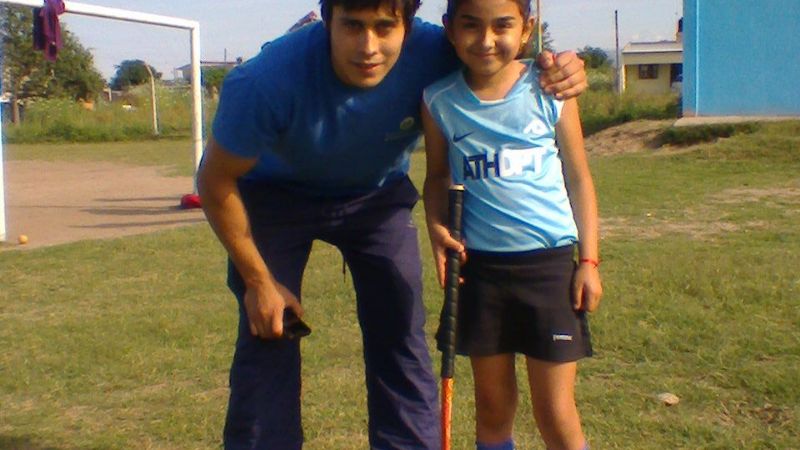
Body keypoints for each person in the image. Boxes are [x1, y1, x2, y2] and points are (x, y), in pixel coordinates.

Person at [197, 0, 588, 448]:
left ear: (409, 25)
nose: (369, 46)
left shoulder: (436, 49)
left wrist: (560, 66)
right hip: (274, 198)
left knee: (400, 329)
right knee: (268, 331)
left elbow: (499, 53)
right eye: (353, 26)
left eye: (385, 27)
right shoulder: (263, 82)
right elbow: (214, 180)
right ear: (327, 22)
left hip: (375, 197)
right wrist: (258, 280)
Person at [421, 1, 602, 450]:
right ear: (449, 29)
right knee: (493, 408)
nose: (486, 40)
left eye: (502, 26)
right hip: (481, 274)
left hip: (550, 270)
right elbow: (437, 176)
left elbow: (579, 177)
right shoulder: (437, 100)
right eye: (471, 26)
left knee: (555, 412)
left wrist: (589, 260)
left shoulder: (549, 90)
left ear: (527, 29)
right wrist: (435, 225)